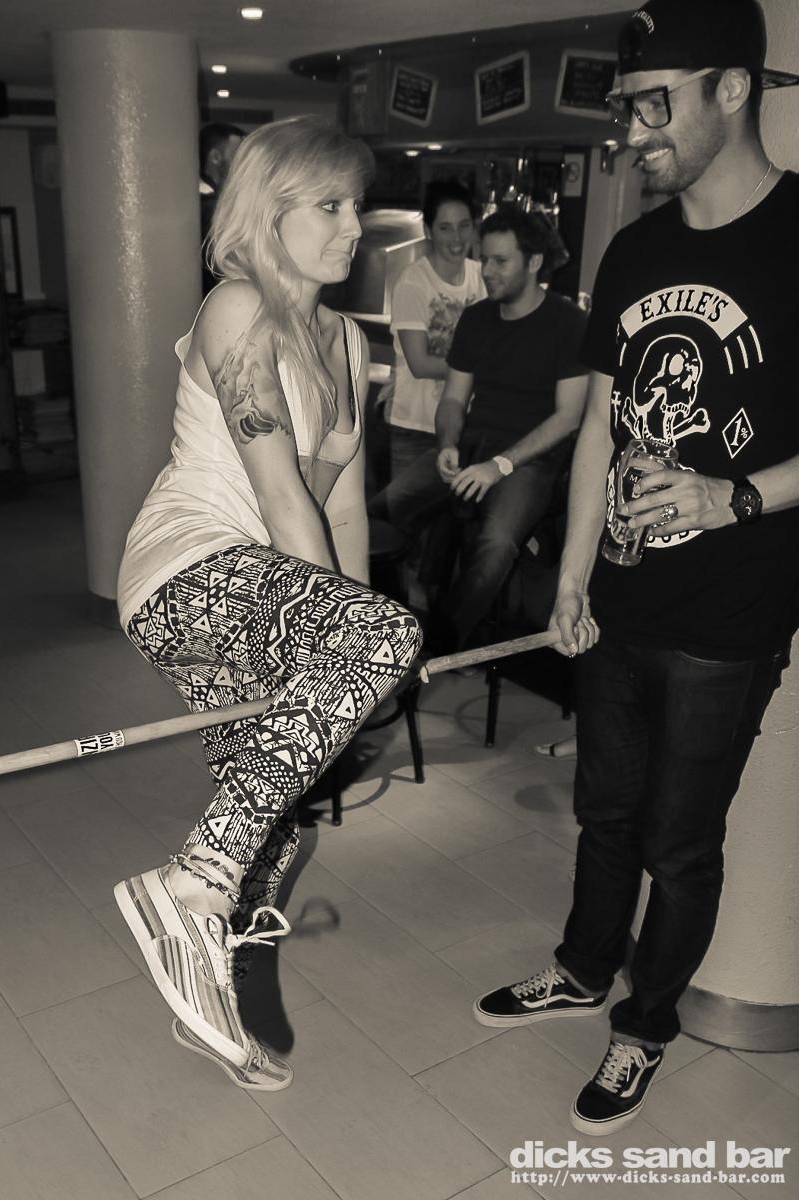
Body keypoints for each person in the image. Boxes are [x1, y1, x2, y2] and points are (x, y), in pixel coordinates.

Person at [474, 0, 799, 1137]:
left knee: (679, 841)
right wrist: (569, 575)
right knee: (603, 813)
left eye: (653, 103)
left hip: (731, 615)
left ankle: (645, 1024)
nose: (632, 131)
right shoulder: (634, 249)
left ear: (731, 87)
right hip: (618, 596)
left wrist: (731, 494)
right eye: (624, 107)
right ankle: (580, 968)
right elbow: (602, 429)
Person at [115, 116, 421, 1090]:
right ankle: (189, 889)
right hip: (190, 572)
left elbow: (342, 505)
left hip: (270, 593)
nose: (354, 227)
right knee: (376, 637)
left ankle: (207, 993)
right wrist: (357, 637)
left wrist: (357, 644)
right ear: (264, 212)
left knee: (276, 825)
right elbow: (281, 491)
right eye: (328, 205)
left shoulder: (348, 344)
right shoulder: (237, 307)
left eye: (356, 205)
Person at [373, 205, 588, 652]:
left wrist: (501, 465)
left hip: (531, 460)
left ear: (533, 262)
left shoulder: (568, 322)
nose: (486, 271)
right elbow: (454, 399)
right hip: (472, 445)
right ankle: (378, 629)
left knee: (496, 544)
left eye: (500, 261)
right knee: (378, 515)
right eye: (484, 259)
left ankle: (435, 651)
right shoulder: (476, 318)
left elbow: (568, 417)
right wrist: (448, 444)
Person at [382, 178, 485, 479]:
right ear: (428, 230)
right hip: (414, 427)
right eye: (445, 228)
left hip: (465, 426)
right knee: (406, 509)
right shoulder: (413, 282)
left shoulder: (483, 277)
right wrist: (484, 367)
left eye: (464, 226)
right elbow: (420, 364)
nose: (457, 238)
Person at [199, 122, 243, 295]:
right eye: (238, 155)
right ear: (216, 157)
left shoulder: (219, 200)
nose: (245, 163)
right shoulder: (207, 204)